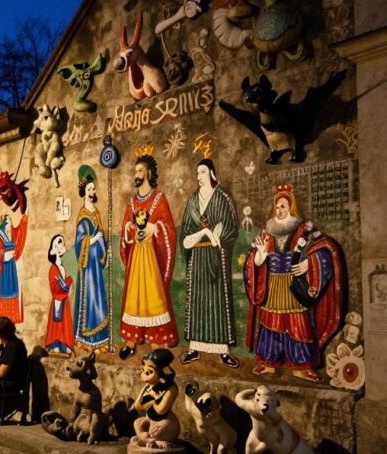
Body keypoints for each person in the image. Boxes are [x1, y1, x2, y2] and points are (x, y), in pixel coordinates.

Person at [243, 185, 344, 382]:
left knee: (298, 324)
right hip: (272, 287)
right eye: (277, 207)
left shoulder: (305, 229)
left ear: (291, 207)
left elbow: (324, 248)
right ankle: (267, 362)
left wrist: (310, 263)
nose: (280, 210)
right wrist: (258, 259)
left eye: (283, 206)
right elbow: (252, 256)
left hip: (294, 286)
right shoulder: (267, 232)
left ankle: (302, 366)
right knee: (271, 323)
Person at [179, 159, 240, 368]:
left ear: (212, 174)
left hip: (215, 257)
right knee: (197, 301)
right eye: (197, 173)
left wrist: (218, 236)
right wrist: (201, 234)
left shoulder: (222, 198)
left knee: (217, 301)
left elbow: (231, 227)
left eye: (203, 172)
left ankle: (222, 350)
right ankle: (194, 348)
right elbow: (186, 231)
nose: (199, 176)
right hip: (197, 257)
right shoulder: (193, 201)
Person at [118, 150, 178, 360]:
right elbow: (126, 225)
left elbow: (168, 228)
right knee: (134, 297)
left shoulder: (159, 199)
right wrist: (127, 230)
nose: (137, 174)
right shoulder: (133, 202)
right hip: (136, 258)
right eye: (135, 170)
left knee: (153, 297)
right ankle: (131, 342)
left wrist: (156, 227)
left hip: (151, 260)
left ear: (149, 173)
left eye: (140, 170)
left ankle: (157, 344)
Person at [73, 165, 111, 352]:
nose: (92, 192)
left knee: (100, 300)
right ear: (83, 192)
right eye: (89, 190)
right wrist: (92, 239)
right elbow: (79, 242)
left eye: (93, 189)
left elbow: (101, 234)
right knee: (90, 300)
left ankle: (100, 339)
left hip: (96, 264)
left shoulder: (96, 212)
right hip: (87, 266)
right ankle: (86, 340)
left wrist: (105, 249)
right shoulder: (82, 215)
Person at [45, 235, 74, 357]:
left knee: (64, 323)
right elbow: (55, 287)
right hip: (58, 299)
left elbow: (64, 283)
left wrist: (67, 281)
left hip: (64, 301)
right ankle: (55, 343)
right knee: (57, 323)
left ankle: (64, 343)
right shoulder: (53, 269)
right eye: (60, 242)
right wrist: (66, 282)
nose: (63, 244)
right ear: (54, 249)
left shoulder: (61, 267)